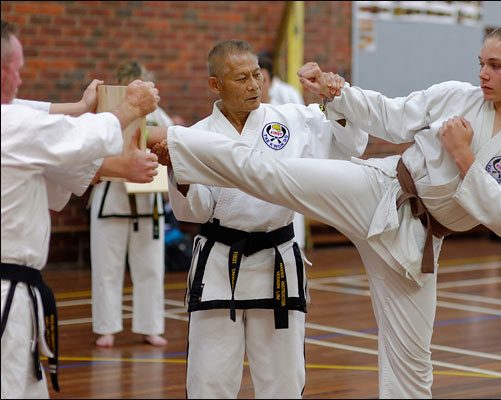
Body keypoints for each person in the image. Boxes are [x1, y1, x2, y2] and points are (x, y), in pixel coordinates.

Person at [147, 24, 501, 398]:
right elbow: (393, 117)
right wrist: (339, 93)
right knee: (277, 173)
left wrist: (463, 156)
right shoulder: (459, 97)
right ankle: (176, 140)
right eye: (481, 63)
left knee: (412, 363)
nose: (483, 74)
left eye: (496, 66)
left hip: (417, 241)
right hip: (380, 188)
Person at [166, 39, 368, 398]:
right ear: (216, 84)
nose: (254, 85)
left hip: (276, 261)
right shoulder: (196, 136)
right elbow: (193, 211)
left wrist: (338, 98)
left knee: (283, 378)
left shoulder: (291, 119)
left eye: (257, 75)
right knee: (209, 379)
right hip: (218, 263)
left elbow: (350, 145)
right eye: (242, 78)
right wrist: (177, 171)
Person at [1, 19, 159, 399]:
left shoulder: (14, 123)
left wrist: (82, 107)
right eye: (17, 70)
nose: (21, 81)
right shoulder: (10, 124)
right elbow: (70, 138)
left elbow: (38, 128)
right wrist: (128, 108)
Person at [89, 61, 173, 348]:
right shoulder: (107, 114)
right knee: (106, 265)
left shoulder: (158, 116)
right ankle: (106, 327)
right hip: (110, 196)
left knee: (150, 265)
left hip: (147, 199)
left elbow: (170, 151)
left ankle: (150, 325)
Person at [258, 53, 308, 249]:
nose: (258, 86)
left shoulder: (286, 114)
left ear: (271, 81)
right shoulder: (240, 115)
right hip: (258, 191)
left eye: (263, 80)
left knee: (292, 247)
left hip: (287, 185)